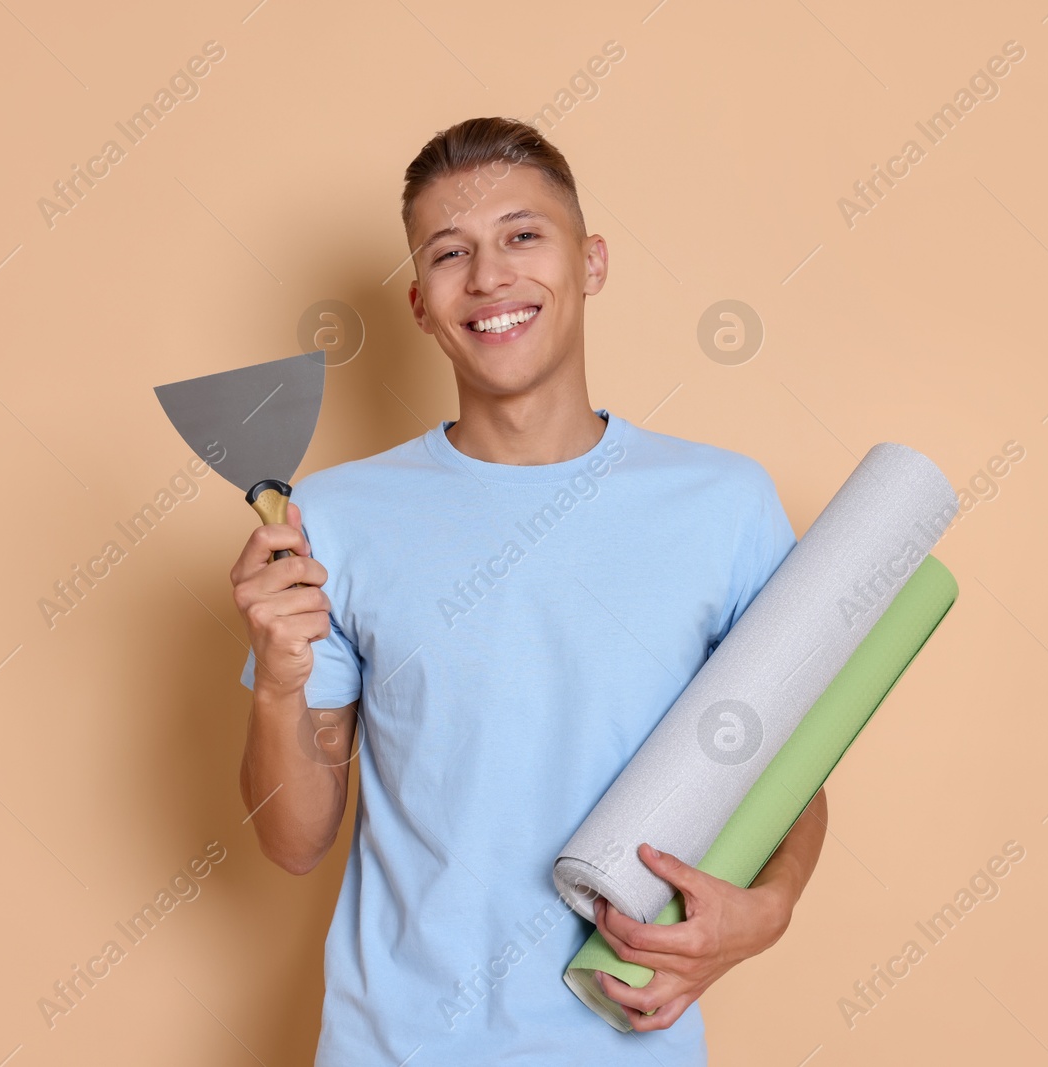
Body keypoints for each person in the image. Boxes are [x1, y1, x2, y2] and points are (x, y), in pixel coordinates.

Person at [231, 116, 827, 1065]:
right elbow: (297, 841)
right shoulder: (333, 520)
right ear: (422, 305)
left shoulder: (723, 503)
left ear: (589, 262)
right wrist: (272, 682)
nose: (490, 276)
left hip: (631, 1040)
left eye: (523, 235)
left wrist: (771, 906)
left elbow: (792, 759)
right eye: (450, 252)